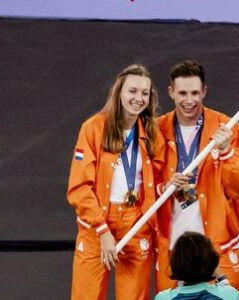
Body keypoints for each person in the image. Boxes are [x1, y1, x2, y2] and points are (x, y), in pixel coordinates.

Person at [153, 60, 239, 295]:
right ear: (171, 92)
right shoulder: (155, 130)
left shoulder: (228, 127)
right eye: (182, 93)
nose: (189, 100)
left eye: (194, 93)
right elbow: (143, 187)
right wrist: (164, 187)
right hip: (172, 250)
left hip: (217, 247)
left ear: (204, 91)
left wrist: (227, 153)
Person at [67, 64, 165, 299]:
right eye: (132, 91)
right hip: (96, 227)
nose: (138, 98)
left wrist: (174, 185)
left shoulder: (152, 132)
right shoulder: (93, 129)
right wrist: (103, 232)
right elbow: (79, 187)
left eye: (144, 93)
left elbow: (161, 179)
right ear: (119, 91)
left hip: (136, 224)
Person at [155, 231, 239, 300]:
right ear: (213, 264)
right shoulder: (230, 295)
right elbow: (228, 294)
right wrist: (221, 276)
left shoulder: (163, 298)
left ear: (175, 263)